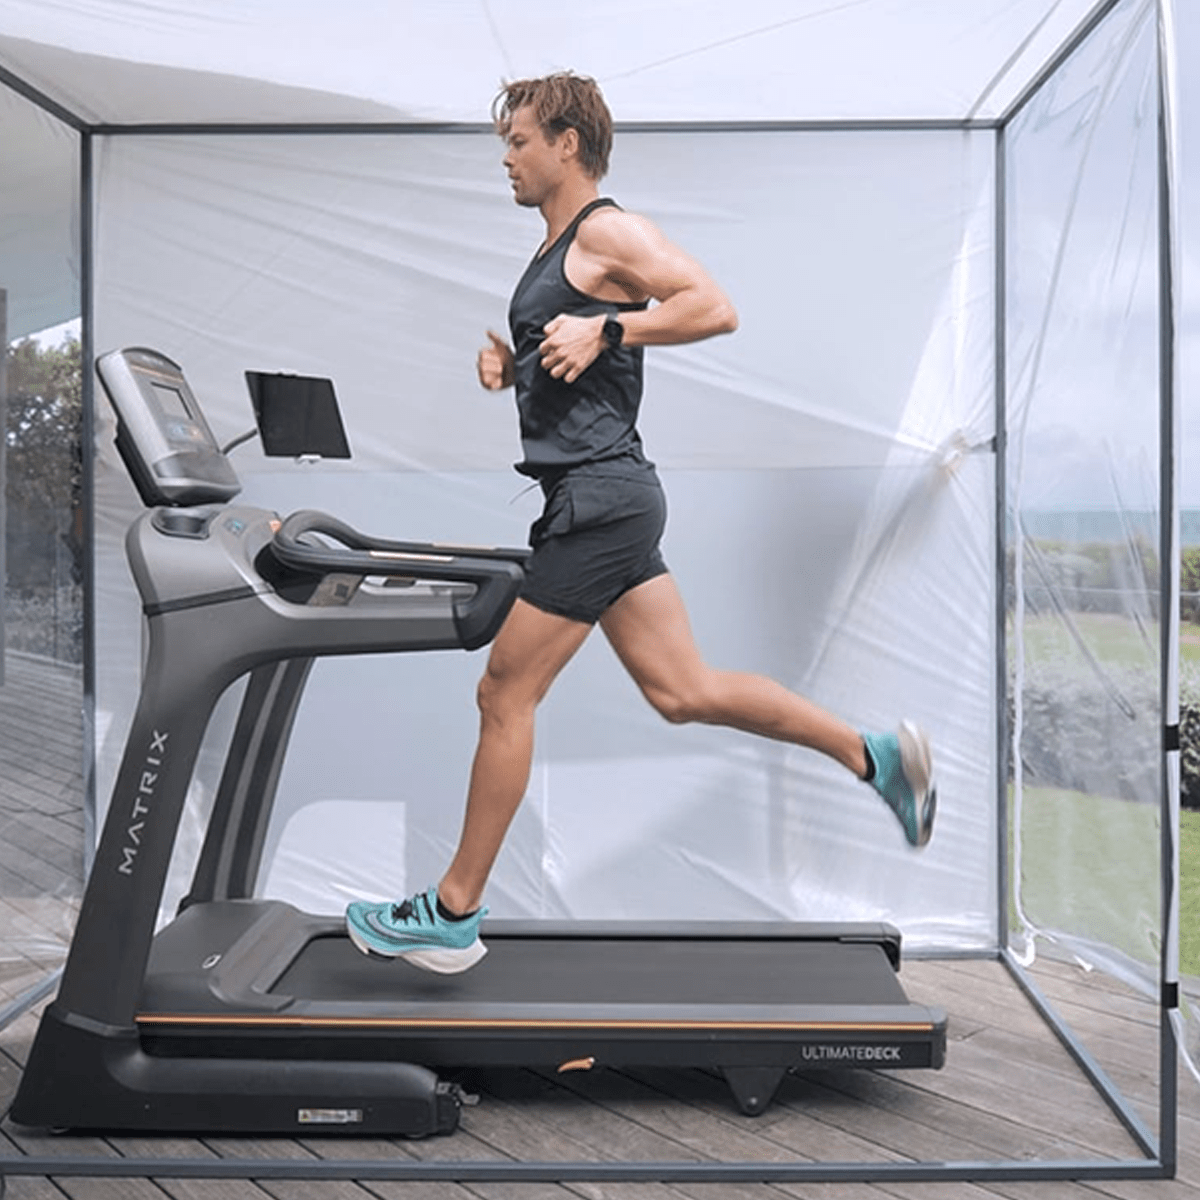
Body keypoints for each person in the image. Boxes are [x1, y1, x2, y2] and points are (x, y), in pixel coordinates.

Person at [346, 72, 936, 974]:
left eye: (519, 141)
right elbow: (580, 352)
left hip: (598, 499)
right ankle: (876, 755)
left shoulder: (606, 231)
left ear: (567, 145)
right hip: (605, 496)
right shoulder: (557, 249)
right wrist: (518, 366)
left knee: (504, 691)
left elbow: (713, 305)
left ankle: (452, 911)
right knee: (683, 692)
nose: (507, 158)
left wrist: (609, 333)